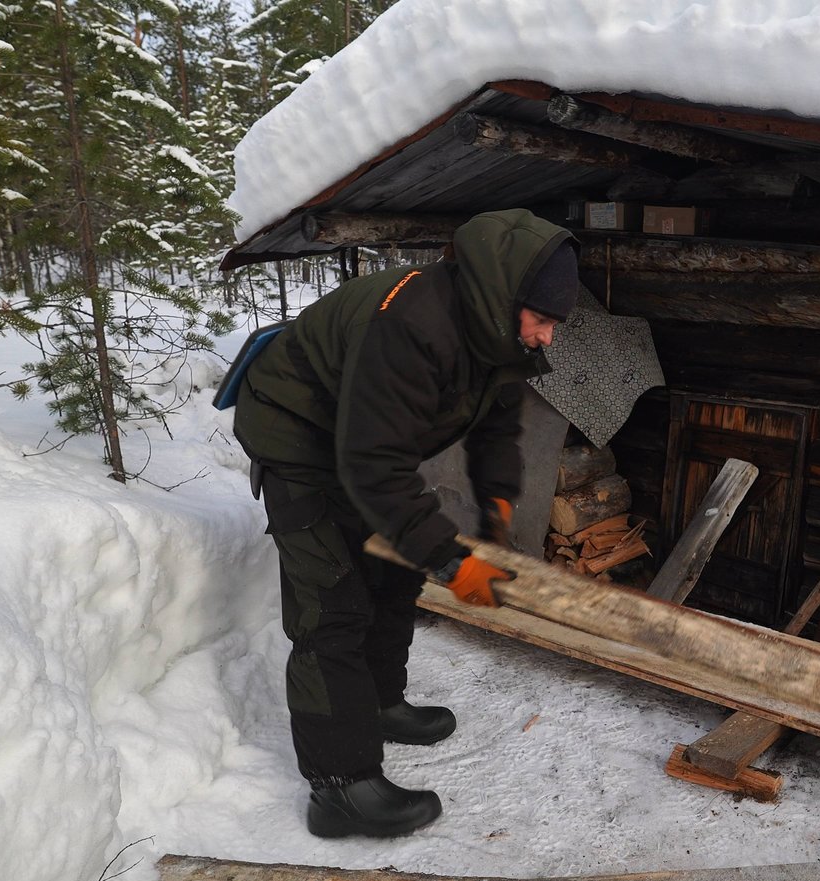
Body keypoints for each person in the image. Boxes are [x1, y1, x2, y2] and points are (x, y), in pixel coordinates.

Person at [232, 209, 579, 839]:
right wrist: (451, 560)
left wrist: (497, 506)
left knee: (392, 575)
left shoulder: (493, 330)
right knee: (332, 606)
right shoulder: (414, 325)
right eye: (544, 320)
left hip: (359, 443)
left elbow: (498, 423)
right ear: (507, 300)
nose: (547, 337)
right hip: (298, 438)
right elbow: (372, 465)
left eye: (555, 324)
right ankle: (338, 788)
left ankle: (381, 705)